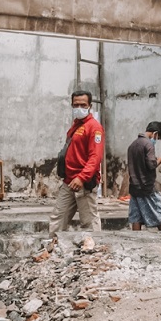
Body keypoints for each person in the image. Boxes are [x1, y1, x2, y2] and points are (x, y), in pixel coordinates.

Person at [49, 90, 104, 234]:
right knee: (58, 218)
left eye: (83, 105)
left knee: (89, 222)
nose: (79, 108)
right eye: (75, 105)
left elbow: (95, 157)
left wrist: (82, 177)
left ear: (90, 106)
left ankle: (95, 252)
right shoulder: (76, 126)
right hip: (69, 181)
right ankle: (51, 249)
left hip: (84, 183)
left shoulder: (94, 127)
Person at [127, 121, 161, 231]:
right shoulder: (148, 145)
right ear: (154, 133)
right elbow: (151, 165)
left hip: (134, 187)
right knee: (159, 216)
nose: (156, 141)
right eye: (157, 138)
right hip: (147, 187)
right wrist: (159, 160)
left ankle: (136, 241)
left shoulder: (133, 144)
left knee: (136, 217)